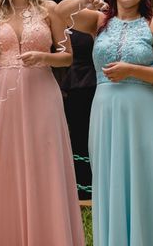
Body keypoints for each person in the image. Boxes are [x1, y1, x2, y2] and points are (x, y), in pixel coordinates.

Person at [56, 0, 153, 246]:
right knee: (111, 181)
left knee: (146, 183)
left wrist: (132, 70)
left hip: (145, 113)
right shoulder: (99, 21)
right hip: (106, 113)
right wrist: (85, 0)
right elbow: (58, 11)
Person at [0, 0, 85, 246]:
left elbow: (67, 56)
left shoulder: (49, 8)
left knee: (44, 161)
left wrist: (45, 58)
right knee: (5, 166)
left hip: (42, 94)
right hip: (4, 97)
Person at [60, 29, 96, 200]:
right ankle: (84, 186)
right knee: (81, 138)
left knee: (80, 138)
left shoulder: (69, 28)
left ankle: (83, 187)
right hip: (81, 85)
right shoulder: (70, 29)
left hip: (81, 85)